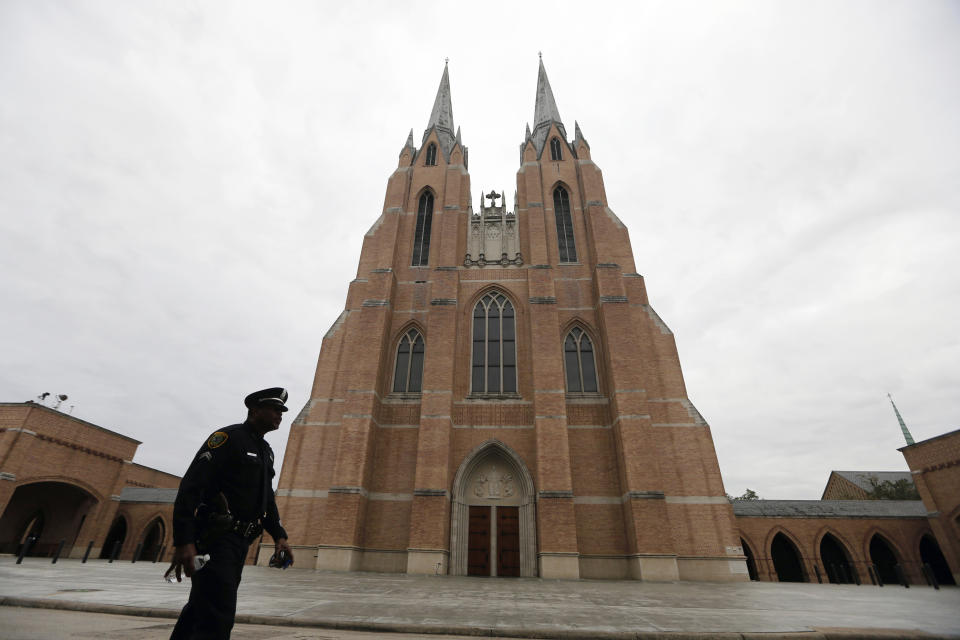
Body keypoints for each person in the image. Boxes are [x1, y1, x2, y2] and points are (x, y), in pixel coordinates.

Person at [166, 387, 294, 640]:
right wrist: (184, 541)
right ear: (254, 410)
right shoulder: (228, 438)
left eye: (282, 410)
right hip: (215, 539)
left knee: (202, 607)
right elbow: (190, 489)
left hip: (239, 543)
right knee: (218, 612)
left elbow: (266, 499)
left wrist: (279, 535)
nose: (280, 414)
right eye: (274, 409)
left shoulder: (266, 451)